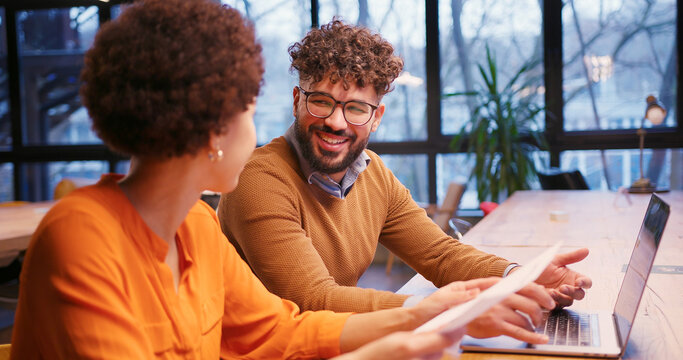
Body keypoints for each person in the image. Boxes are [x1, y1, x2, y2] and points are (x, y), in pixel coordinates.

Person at [9, 1, 550, 358]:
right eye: (247, 107)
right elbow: (310, 303)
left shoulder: (195, 226)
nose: (256, 129)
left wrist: (426, 312)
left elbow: (279, 330)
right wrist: (388, 345)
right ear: (212, 126)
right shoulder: (81, 235)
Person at [218, 18, 592, 344]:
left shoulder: (372, 173)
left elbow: (439, 255)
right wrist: (445, 309)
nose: (335, 121)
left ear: (376, 116)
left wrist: (522, 278)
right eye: (321, 101)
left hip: (335, 345)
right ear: (297, 100)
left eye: (355, 108)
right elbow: (315, 300)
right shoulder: (259, 180)